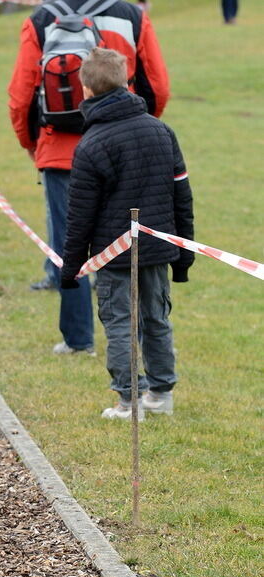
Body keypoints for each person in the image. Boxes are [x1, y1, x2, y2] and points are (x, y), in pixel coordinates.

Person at [8, 0, 170, 357]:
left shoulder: (41, 18)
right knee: (130, 241)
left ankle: (78, 338)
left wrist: (32, 145)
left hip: (61, 150)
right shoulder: (131, 15)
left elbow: (22, 94)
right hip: (126, 147)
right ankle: (133, 338)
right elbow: (157, 84)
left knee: (69, 243)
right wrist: (142, 129)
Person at [61, 48, 194, 420]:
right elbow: (183, 196)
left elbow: (79, 216)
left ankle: (128, 401)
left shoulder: (90, 145)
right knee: (156, 318)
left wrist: (70, 268)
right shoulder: (162, 130)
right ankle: (161, 393)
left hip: (115, 255)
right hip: (159, 248)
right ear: (126, 82)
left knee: (120, 323)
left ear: (85, 88)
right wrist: (184, 254)